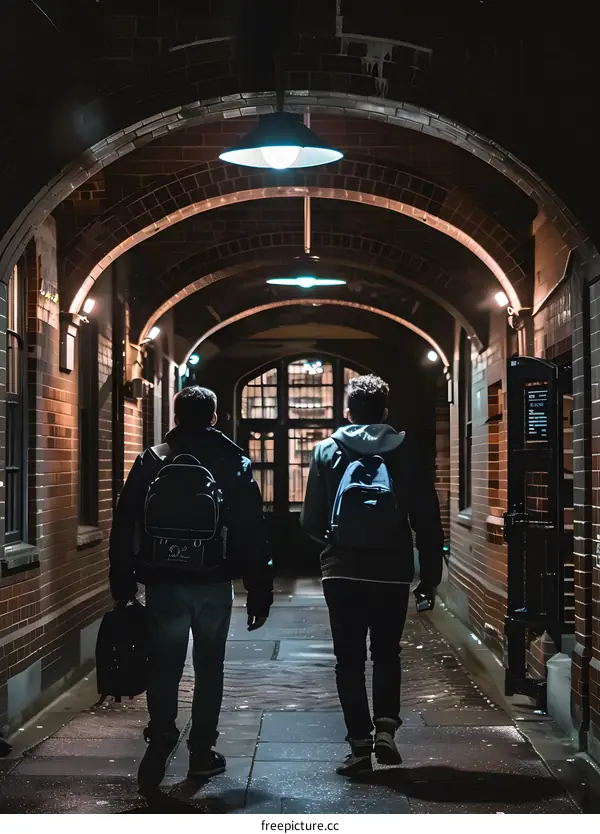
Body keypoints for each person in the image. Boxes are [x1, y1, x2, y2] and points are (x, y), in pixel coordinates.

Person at [109, 385, 273, 792]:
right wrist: (259, 588)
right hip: (214, 580)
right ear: (214, 417)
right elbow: (253, 529)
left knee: (164, 665)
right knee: (209, 667)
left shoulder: (152, 459)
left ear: (176, 417)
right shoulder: (232, 460)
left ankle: (162, 733)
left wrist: (123, 576)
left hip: (163, 580)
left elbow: (125, 518)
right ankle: (201, 752)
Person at [301, 374, 444, 776]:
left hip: (342, 571)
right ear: (384, 411)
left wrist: (335, 542)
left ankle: (359, 744)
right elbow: (428, 519)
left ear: (347, 411)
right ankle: (386, 728)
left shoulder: (327, 450)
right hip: (392, 570)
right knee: (386, 652)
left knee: (348, 659)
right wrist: (429, 576)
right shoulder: (406, 451)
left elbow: (311, 520)